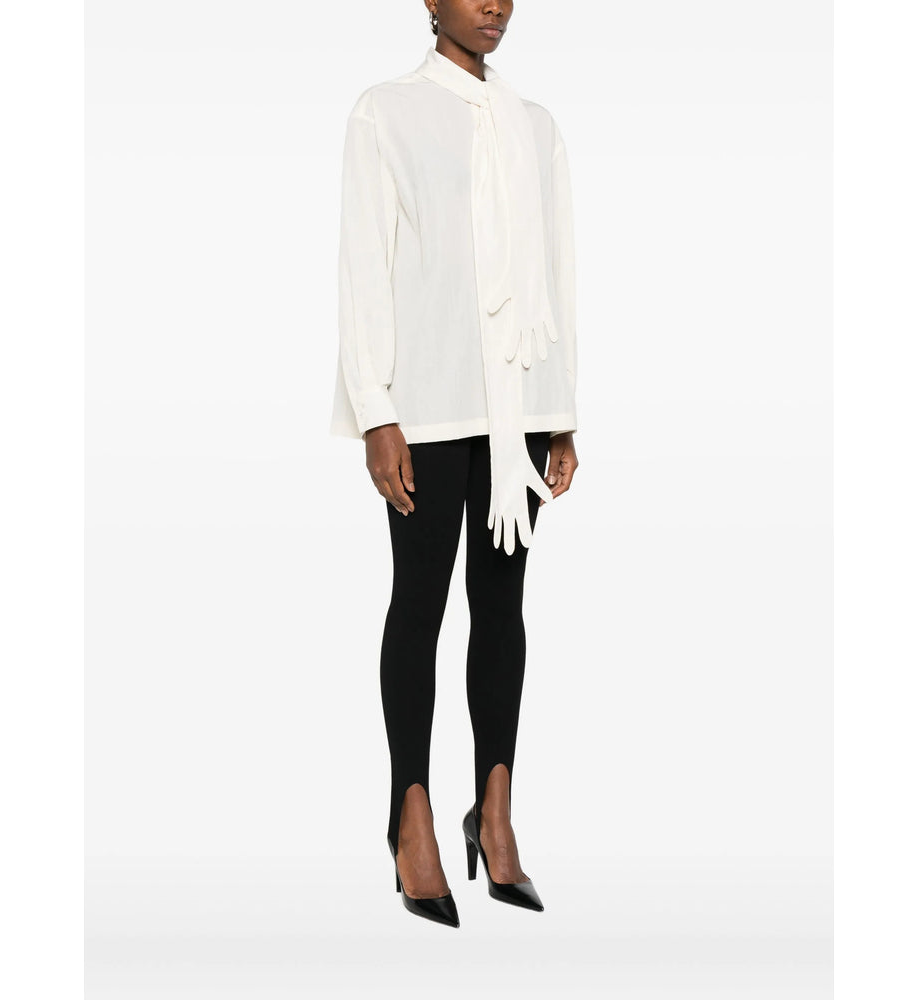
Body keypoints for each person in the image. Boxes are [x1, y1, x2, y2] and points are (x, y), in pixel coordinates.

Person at [329, 0, 580, 928]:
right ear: (429, 1)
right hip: (428, 406)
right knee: (420, 603)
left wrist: (561, 413)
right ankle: (411, 818)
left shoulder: (536, 126)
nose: (495, 4)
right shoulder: (386, 112)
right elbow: (365, 266)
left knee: (502, 606)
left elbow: (557, 272)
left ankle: (496, 813)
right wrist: (376, 412)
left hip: (519, 409)